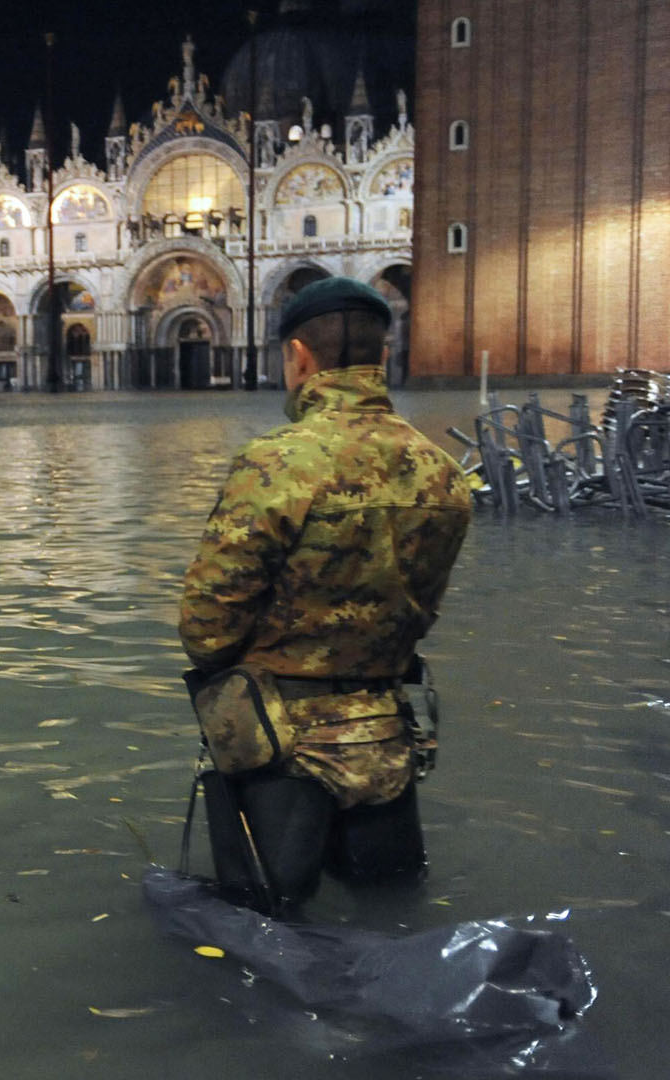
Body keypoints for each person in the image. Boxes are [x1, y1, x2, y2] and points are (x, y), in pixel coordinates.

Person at [178, 277, 472, 911]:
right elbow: (422, 610)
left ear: (299, 356)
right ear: (383, 356)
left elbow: (206, 626)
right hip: (387, 739)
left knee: (265, 926)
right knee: (391, 907)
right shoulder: (442, 472)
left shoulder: (275, 462)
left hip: (282, 748)